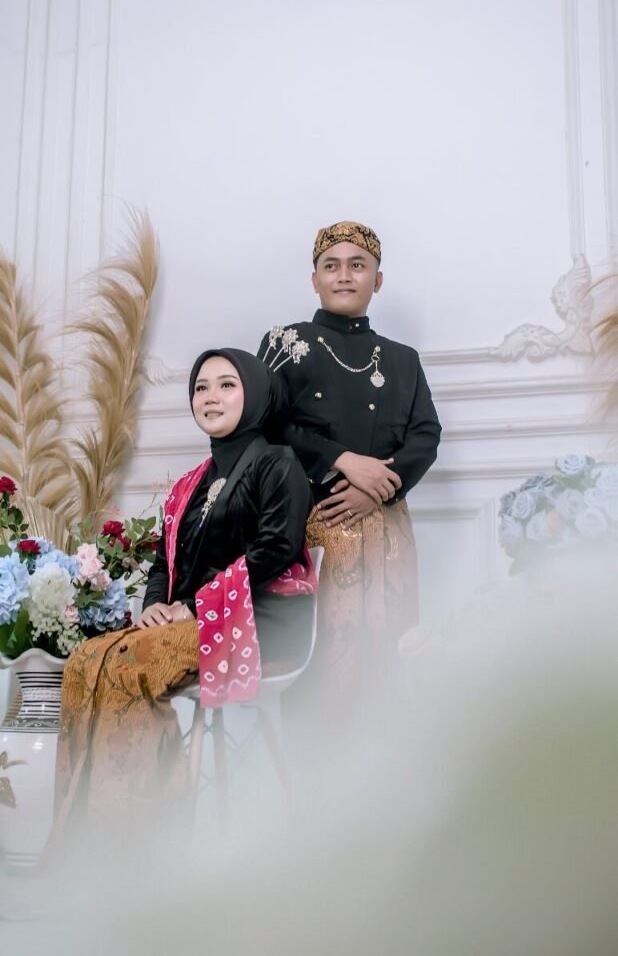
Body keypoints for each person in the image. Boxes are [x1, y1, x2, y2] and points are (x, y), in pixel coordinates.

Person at [52, 348, 316, 838]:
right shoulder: (191, 484)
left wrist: (193, 606)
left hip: (261, 621)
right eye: (201, 387)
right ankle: (88, 834)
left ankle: (152, 834)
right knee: (85, 660)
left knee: (131, 665)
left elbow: (275, 549)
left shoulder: (278, 464)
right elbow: (162, 562)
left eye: (227, 385)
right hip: (192, 621)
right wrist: (155, 606)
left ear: (255, 394)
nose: (211, 397)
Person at [258, 220, 441, 730]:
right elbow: (268, 425)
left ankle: (390, 767)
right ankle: (316, 774)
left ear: (377, 280)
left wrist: (378, 492)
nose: (344, 275)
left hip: (390, 533)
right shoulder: (285, 343)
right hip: (317, 526)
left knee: (393, 648)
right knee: (324, 659)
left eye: (357, 265)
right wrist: (342, 459)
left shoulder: (403, 360)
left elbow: (426, 435)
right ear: (314, 279)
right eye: (331, 265)